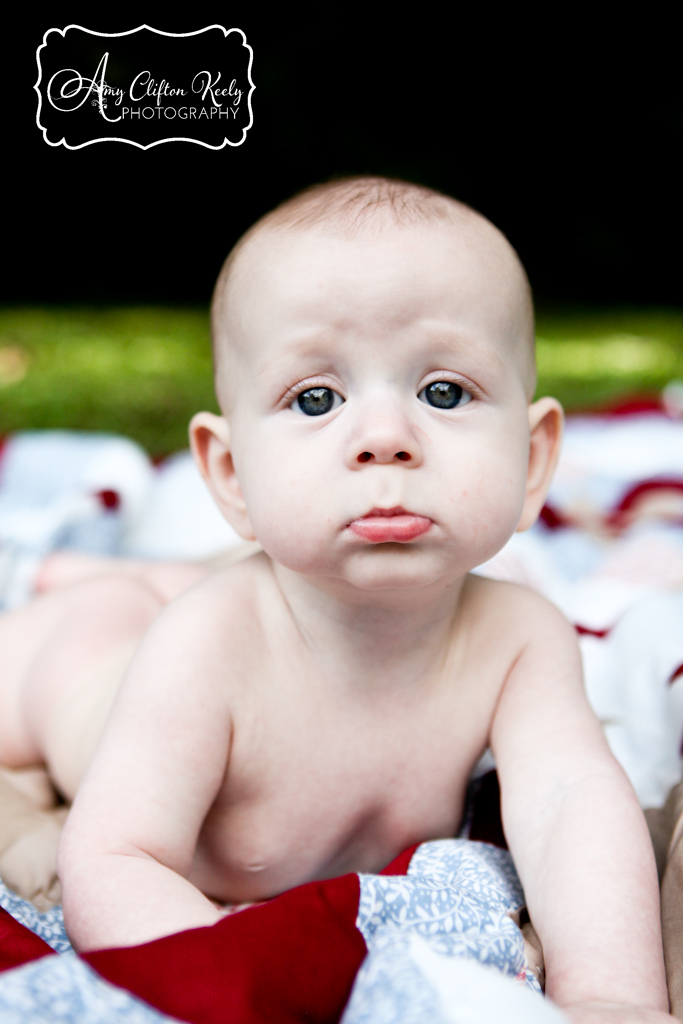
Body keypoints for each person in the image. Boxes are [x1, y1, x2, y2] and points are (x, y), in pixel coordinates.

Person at [0, 177, 674, 1023]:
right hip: (91, 659)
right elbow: (113, 853)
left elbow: (573, 809)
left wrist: (612, 994)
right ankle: (59, 579)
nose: (385, 438)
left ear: (534, 460)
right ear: (231, 474)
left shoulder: (518, 638)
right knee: (79, 636)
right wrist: (237, 983)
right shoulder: (208, 644)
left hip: (212, 598)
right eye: (315, 399)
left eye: (443, 392)